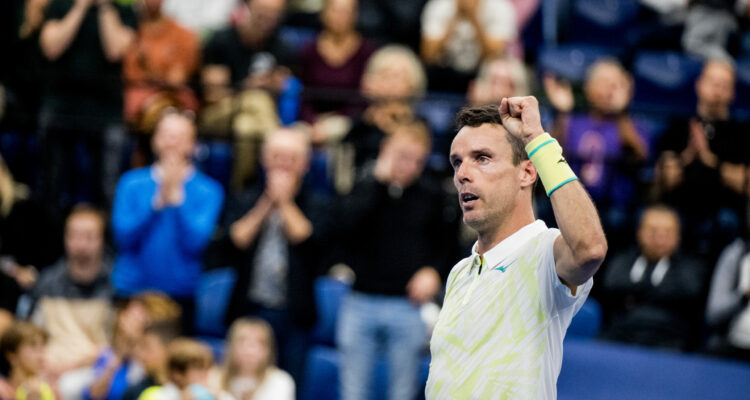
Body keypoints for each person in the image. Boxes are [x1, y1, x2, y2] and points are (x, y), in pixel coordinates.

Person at [426, 99, 607, 398]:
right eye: (457, 162)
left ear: (527, 173)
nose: (462, 174)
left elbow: (589, 248)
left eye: (482, 158)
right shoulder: (459, 272)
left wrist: (536, 138)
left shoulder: (545, 252)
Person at [336, 122, 457, 400]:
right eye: (403, 156)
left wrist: (433, 272)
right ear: (386, 151)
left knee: (402, 393)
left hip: (408, 305)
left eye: (418, 160)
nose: (410, 166)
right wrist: (379, 182)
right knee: (352, 392)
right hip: (360, 300)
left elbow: (448, 246)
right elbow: (343, 228)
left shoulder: (431, 194)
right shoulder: (363, 186)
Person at [223, 128, 331, 386]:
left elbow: (309, 243)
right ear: (264, 159)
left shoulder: (318, 202)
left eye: (291, 158)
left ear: (305, 164)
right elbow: (236, 240)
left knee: (289, 384)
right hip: (249, 308)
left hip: (294, 314)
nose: (282, 165)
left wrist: (284, 203)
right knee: (243, 384)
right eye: (276, 156)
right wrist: (266, 204)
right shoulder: (245, 196)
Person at [111, 111, 224, 333]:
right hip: (132, 291)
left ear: (192, 144)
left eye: (180, 136)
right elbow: (122, 237)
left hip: (180, 294)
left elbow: (196, 243)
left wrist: (178, 202)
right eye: (166, 134)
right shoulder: (131, 183)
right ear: (155, 140)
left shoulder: (208, 190)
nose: (172, 142)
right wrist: (155, 204)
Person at [38, 0, 136, 213]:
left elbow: (116, 51)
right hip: (61, 108)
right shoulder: (58, 6)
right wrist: (80, 7)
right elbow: (51, 48)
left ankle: (105, 240)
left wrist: (104, 8)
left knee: (107, 188)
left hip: (105, 112)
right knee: (52, 187)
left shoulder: (123, 11)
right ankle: (51, 237)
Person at [599, 205, 707, 350]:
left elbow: (689, 292)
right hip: (622, 332)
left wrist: (634, 294)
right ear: (639, 232)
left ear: (678, 236)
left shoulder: (691, 266)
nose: (660, 239)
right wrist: (657, 291)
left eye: (667, 233)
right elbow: (610, 284)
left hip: (669, 337)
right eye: (653, 231)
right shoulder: (624, 259)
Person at [27, 205, 113, 378]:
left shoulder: (116, 286)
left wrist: (77, 365)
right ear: (65, 238)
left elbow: (118, 346)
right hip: (49, 370)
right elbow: (30, 336)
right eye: (74, 236)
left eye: (89, 237)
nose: (81, 244)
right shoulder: (46, 284)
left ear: (102, 240)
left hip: (98, 372)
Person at [123, 0, 200, 134]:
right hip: (138, 101)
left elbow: (176, 80)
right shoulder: (129, 31)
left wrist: (149, 66)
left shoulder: (183, 35)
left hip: (173, 98)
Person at [298, 0, 376, 124]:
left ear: (355, 15)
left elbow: (363, 96)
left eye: (346, 12)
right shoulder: (309, 50)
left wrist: (337, 122)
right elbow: (303, 94)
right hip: (312, 122)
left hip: (351, 122)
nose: (340, 17)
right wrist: (311, 121)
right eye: (335, 11)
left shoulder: (366, 52)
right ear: (323, 13)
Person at [420, 0, 517, 92]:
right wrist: (455, 17)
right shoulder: (439, 5)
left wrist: (473, 17)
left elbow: (494, 55)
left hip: (482, 77)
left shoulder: (499, 7)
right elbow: (429, 55)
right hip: (444, 76)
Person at [219, 318, 294, 400]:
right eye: (242, 341)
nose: (249, 350)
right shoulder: (215, 379)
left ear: (268, 350)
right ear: (230, 346)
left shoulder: (281, 381)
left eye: (258, 343)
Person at [119, 320, 180, 400]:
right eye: (140, 348)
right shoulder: (133, 392)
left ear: (168, 348)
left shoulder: (186, 388)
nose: (140, 354)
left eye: (146, 347)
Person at [0, 322, 56, 400]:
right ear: (12, 357)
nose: (41, 356)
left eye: (42, 347)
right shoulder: (2, 392)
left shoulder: (52, 387)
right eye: (33, 347)